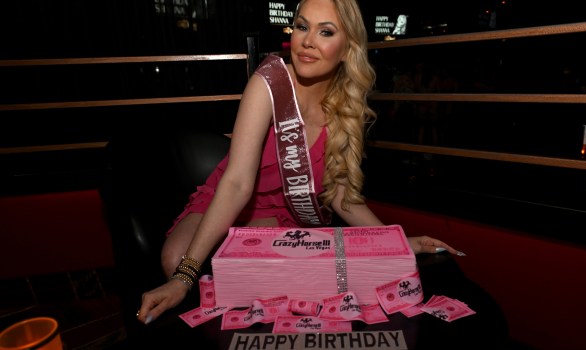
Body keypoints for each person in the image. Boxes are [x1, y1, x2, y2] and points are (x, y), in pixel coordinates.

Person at [137, 0, 464, 325]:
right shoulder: (268, 84)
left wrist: (395, 242)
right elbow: (237, 183)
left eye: (326, 31)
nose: (307, 41)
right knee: (176, 259)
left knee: (270, 278)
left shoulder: (344, 103)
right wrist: (183, 277)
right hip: (237, 197)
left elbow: (337, 193)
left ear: (347, 47)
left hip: (293, 214)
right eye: (303, 26)